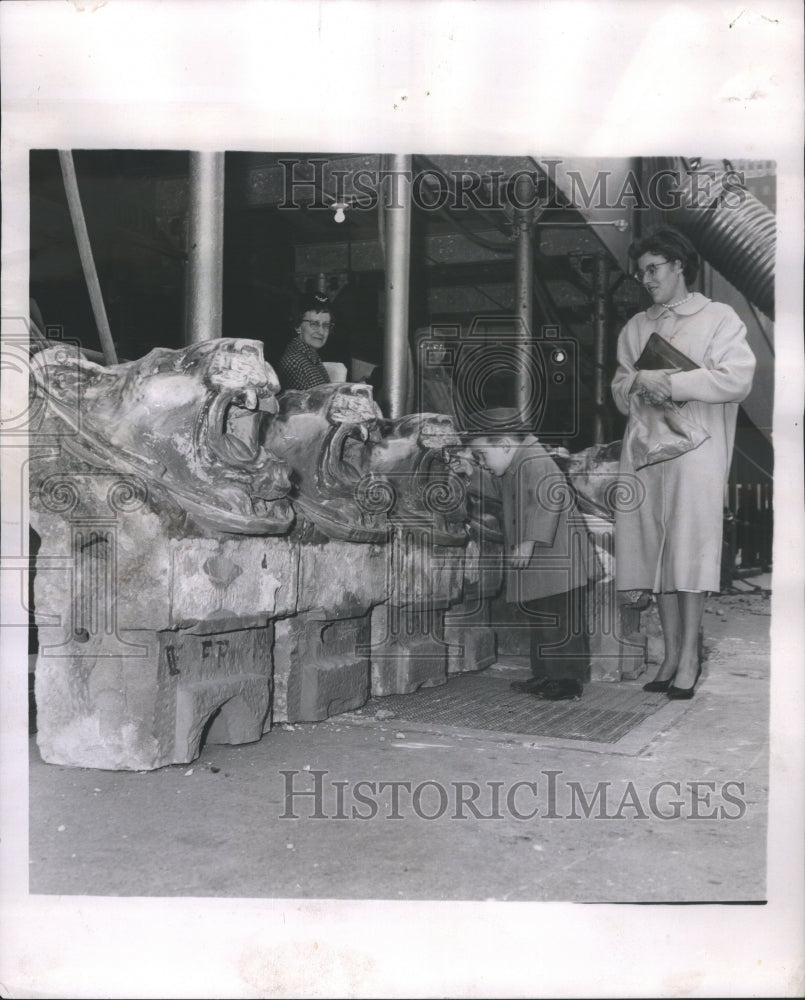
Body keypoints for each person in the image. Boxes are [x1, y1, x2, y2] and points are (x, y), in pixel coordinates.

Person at [611, 226, 756, 699]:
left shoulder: (719, 317)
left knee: (689, 551)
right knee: (654, 551)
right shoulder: (636, 326)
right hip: (645, 452)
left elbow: (737, 379)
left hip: (698, 451)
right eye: (640, 273)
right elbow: (617, 388)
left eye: (653, 269)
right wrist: (636, 383)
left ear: (678, 266)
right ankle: (670, 655)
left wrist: (672, 383)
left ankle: (691, 658)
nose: (646, 279)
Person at [471, 419, 594, 701]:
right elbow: (500, 489)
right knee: (542, 619)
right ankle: (546, 674)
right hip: (546, 561)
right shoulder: (519, 463)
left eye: (482, 456)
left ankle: (567, 682)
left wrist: (528, 543)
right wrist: (470, 473)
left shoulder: (536, 461)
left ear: (504, 445)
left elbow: (548, 501)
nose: (483, 462)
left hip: (558, 560)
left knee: (561, 622)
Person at [277, 292, 345, 390]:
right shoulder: (295, 362)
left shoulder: (310, 357)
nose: (321, 332)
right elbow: (305, 404)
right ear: (297, 326)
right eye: (314, 324)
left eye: (326, 325)